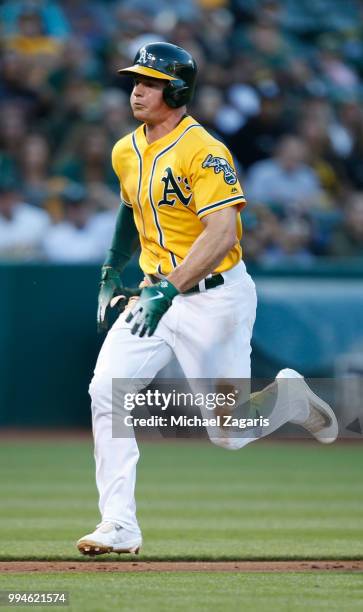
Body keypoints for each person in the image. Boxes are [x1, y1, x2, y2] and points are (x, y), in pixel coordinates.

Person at [76, 42, 338, 557]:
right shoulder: (126, 149)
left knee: (228, 431)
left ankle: (288, 397)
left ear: (176, 89)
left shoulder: (206, 150)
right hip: (155, 293)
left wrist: (168, 289)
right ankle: (119, 525)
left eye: (149, 82)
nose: (137, 89)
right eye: (136, 80)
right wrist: (113, 266)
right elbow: (133, 209)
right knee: (107, 389)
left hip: (213, 297)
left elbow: (221, 232)